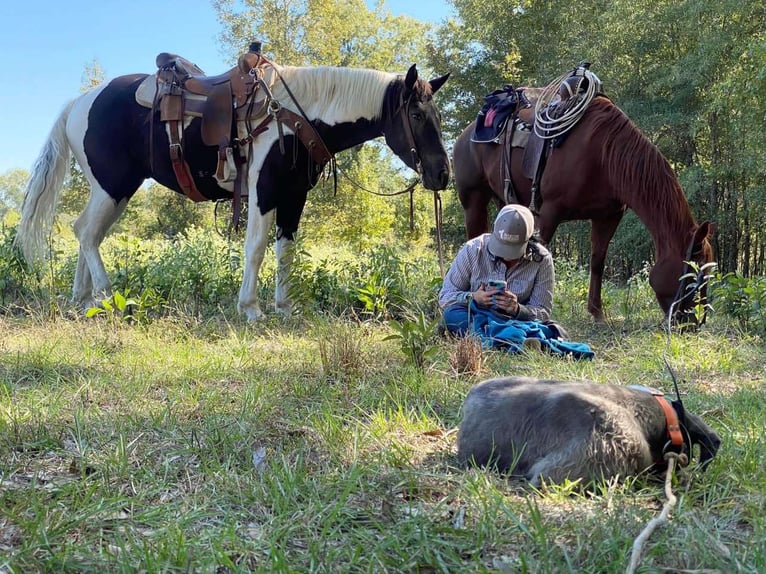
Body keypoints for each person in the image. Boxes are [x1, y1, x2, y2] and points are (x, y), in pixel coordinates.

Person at [439, 204, 554, 336]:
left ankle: (489, 337)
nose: (506, 255)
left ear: (528, 241)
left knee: (551, 328)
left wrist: (517, 309)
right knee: (451, 315)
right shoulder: (473, 249)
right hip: (475, 316)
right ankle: (508, 337)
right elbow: (445, 296)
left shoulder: (542, 260)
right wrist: (473, 298)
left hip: (514, 320)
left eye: (513, 250)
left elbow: (543, 311)